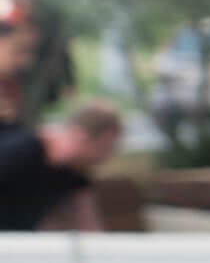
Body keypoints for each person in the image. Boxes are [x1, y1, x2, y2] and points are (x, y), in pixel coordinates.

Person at [0, 99, 122, 232]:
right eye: (106, 147)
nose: (107, 156)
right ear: (82, 136)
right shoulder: (19, 151)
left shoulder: (75, 173)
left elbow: (89, 225)